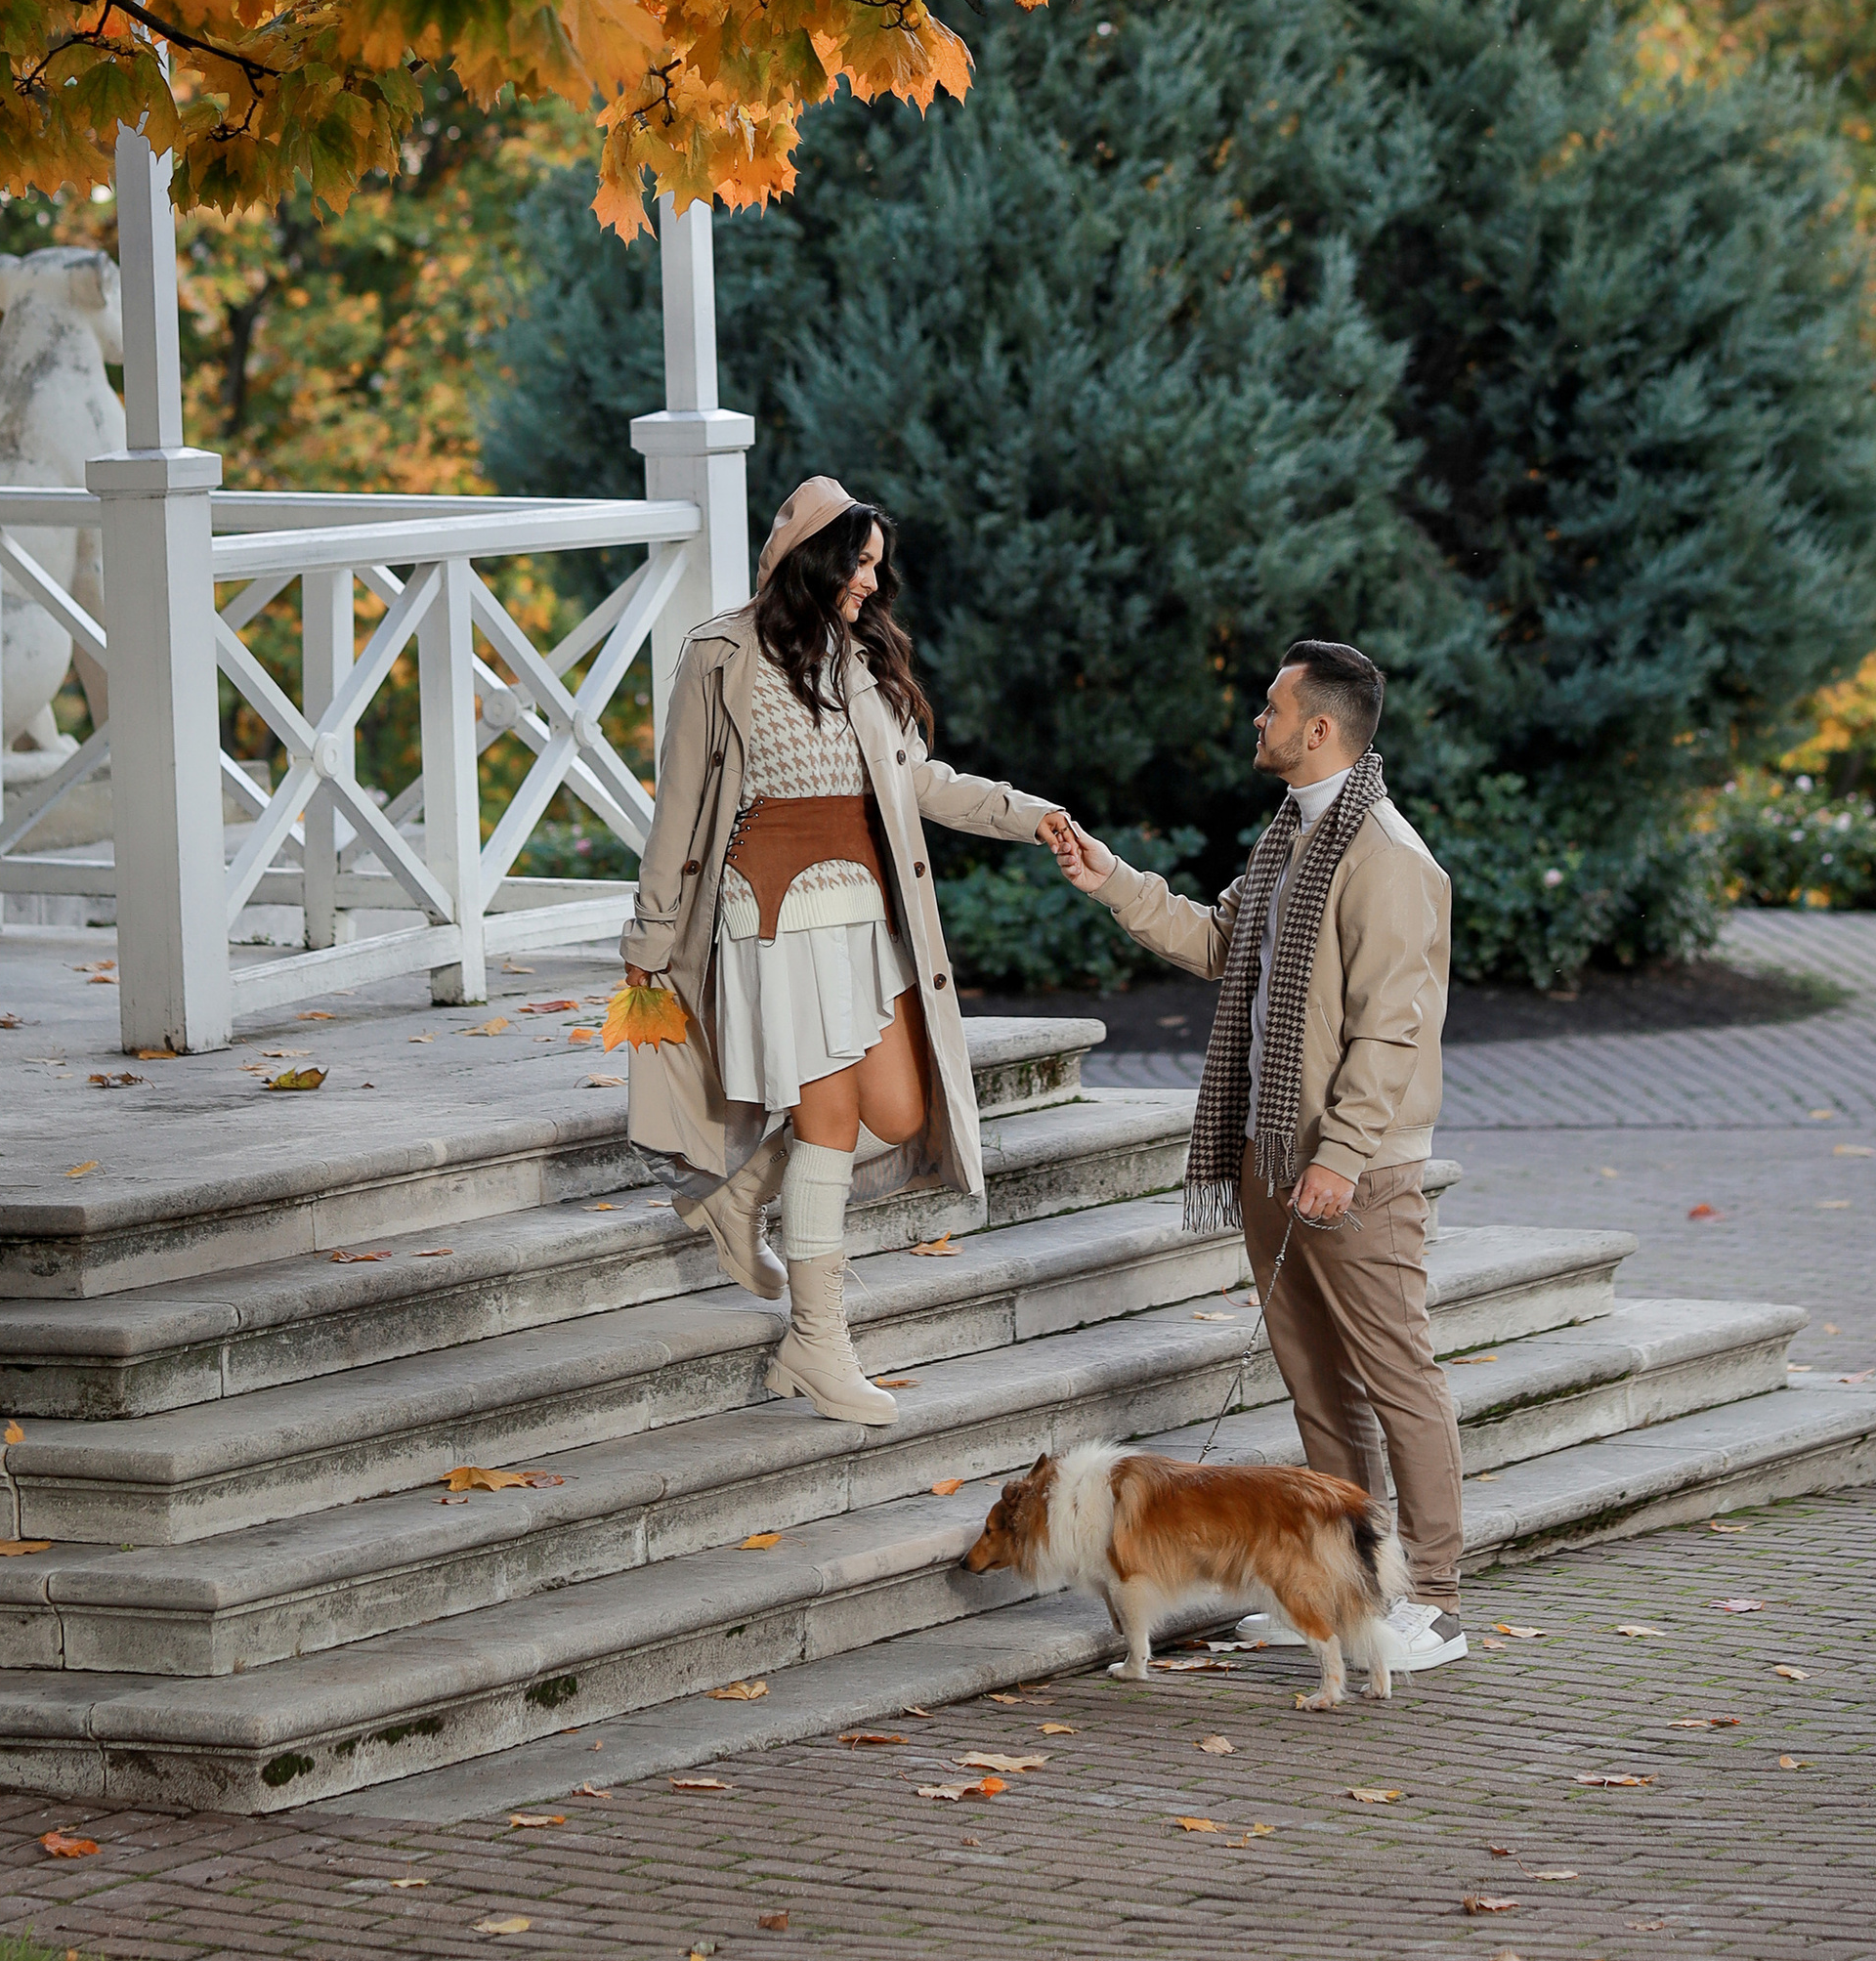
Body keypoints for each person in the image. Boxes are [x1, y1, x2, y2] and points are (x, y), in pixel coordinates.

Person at [1043, 637, 1468, 1673]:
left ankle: (1435, 1604)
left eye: (1269, 709)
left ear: (1318, 728)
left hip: (1351, 1169)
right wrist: (1113, 881)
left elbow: (1390, 1030)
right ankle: (1337, 1584)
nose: (1256, 723)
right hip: (1270, 1150)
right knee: (1318, 1389)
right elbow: (1219, 946)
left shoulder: (1386, 860)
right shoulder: (1290, 839)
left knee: (1395, 1378)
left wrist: (1345, 1154)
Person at [620, 475, 1082, 1424]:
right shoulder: (719, 654)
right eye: (860, 563)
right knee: (830, 1118)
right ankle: (818, 1344)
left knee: (901, 1109)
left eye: (879, 569)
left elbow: (922, 784)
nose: (872, 583)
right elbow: (678, 811)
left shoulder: (863, 661)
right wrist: (649, 939)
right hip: (771, 911)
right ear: (814, 556)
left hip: (864, 908)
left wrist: (1032, 816)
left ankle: (741, 1193)